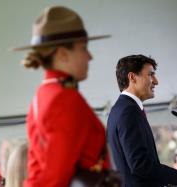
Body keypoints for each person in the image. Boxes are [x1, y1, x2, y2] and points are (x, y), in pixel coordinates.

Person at [12, 6, 111, 187]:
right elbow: (55, 178)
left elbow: (37, 171)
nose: (90, 56)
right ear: (63, 54)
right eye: (83, 48)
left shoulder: (42, 95)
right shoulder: (65, 98)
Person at [106, 54, 177, 187]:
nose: (156, 81)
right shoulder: (128, 111)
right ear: (132, 77)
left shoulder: (121, 109)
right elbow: (139, 165)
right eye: (150, 75)